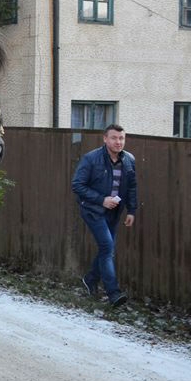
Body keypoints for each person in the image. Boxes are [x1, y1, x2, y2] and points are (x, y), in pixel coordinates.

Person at [72, 124, 138, 307]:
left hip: (114, 212)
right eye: (114, 138)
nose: (118, 142)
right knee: (108, 247)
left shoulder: (128, 160)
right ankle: (113, 293)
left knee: (106, 250)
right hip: (93, 210)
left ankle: (90, 280)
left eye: (121, 138)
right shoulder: (92, 159)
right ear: (105, 139)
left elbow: (132, 187)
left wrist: (131, 211)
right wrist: (102, 200)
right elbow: (77, 185)